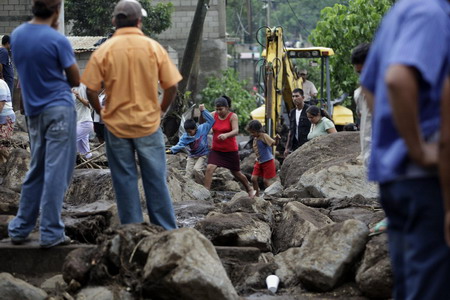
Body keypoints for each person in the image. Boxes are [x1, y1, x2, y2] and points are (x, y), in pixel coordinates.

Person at [360, 0, 450, 298]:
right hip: (426, 180)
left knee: (409, 285)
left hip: (395, 178)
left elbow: (370, 89)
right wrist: (418, 149)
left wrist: (397, 141)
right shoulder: (432, 14)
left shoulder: (399, 12)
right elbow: (398, 79)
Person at [81, 0, 180, 229]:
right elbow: (172, 87)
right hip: (148, 124)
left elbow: (91, 90)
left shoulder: (104, 50)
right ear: (139, 21)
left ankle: (132, 230)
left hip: (116, 126)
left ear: (115, 21)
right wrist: (160, 110)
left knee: (124, 180)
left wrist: (101, 112)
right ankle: (166, 230)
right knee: (155, 179)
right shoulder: (153, 47)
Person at [8, 0, 80, 248]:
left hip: (33, 111)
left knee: (37, 168)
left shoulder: (17, 35)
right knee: (56, 171)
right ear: (57, 11)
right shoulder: (56, 39)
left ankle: (19, 228)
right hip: (59, 108)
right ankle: (50, 232)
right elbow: (74, 77)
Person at [204, 96, 255, 198]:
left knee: (236, 173)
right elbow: (203, 122)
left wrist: (226, 135)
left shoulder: (233, 116)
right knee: (210, 168)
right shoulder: (213, 115)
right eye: (216, 109)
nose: (218, 111)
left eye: (221, 109)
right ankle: (206, 193)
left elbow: (236, 131)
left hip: (230, 150)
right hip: (216, 149)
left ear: (227, 108)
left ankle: (249, 188)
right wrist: (202, 111)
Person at [167, 104, 215, 180]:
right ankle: (189, 188)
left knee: (197, 169)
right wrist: (170, 150)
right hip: (192, 155)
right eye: (187, 132)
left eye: (190, 131)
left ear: (195, 128)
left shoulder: (202, 128)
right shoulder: (185, 136)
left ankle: (203, 186)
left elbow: (211, 120)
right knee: (187, 174)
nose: (189, 133)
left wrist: (203, 111)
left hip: (202, 154)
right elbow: (179, 145)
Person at [246, 120, 278, 197]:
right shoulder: (255, 138)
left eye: (253, 132)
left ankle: (272, 195)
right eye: (251, 132)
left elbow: (273, 143)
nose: (252, 134)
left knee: (266, 181)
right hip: (259, 161)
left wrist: (277, 139)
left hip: (267, 161)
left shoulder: (264, 136)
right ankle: (256, 195)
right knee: (253, 179)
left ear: (258, 130)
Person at [284, 88, 311, 157]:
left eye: (297, 96)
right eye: (293, 96)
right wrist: (287, 148)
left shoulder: (309, 110)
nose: (294, 98)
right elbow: (291, 131)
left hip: (307, 144)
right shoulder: (292, 112)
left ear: (303, 97)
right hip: (295, 145)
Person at [72, 84, 93, 159]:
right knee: (85, 151)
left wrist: (79, 97)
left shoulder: (81, 87)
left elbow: (88, 104)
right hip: (78, 123)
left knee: (69, 141)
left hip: (84, 122)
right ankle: (90, 165)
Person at [0, 78, 15, 161]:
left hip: (5, 120)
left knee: (3, 148)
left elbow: (1, 105)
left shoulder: (0, 83)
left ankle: (12, 165)